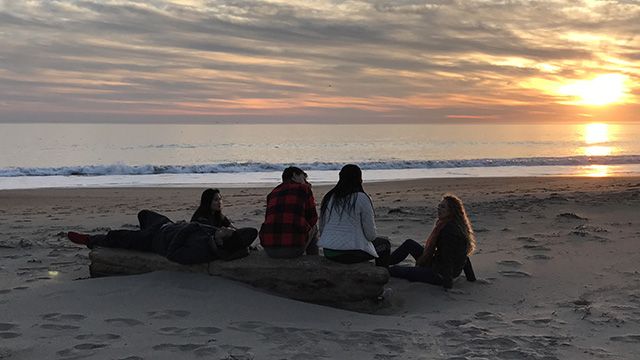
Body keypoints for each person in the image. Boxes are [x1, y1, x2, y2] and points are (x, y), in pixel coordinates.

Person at [67, 210, 257, 265]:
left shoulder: (200, 252)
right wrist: (244, 247)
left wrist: (188, 228)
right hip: (165, 225)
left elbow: (172, 254)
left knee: (117, 237)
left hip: (155, 240)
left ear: (221, 241)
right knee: (143, 214)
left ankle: (89, 240)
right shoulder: (215, 235)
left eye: (226, 231)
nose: (223, 228)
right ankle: (138, 234)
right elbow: (249, 235)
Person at [388, 194, 477, 289]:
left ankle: (383, 268)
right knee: (409, 244)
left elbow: (449, 258)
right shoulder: (451, 224)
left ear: (452, 211)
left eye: (443, 207)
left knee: (396, 270)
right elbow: (464, 256)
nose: (439, 208)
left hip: (440, 274)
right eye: (439, 205)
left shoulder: (449, 230)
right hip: (438, 264)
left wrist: (447, 285)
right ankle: (384, 262)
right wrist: (471, 278)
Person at [317, 164, 390, 267]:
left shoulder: (329, 197)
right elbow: (371, 235)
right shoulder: (362, 198)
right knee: (384, 244)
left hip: (329, 251)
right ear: (359, 179)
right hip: (351, 253)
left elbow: (322, 229)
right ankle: (383, 273)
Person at [259, 166, 319, 258]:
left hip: (269, 249)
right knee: (314, 228)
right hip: (293, 249)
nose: (306, 182)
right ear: (294, 175)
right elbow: (313, 218)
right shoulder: (304, 189)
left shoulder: (272, 193)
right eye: (303, 178)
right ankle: (313, 259)